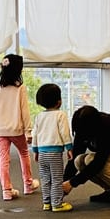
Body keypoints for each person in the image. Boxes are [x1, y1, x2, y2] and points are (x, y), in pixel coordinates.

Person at [0, 53, 38, 201]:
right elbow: (25, 111)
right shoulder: (20, 88)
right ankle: (28, 185)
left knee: (4, 160)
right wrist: (28, 131)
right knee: (24, 154)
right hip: (16, 129)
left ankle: (7, 190)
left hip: (1, 130)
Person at [31, 83, 72, 212]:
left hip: (42, 153)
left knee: (45, 178)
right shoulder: (60, 115)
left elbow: (35, 134)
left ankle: (47, 202)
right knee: (57, 178)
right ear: (59, 101)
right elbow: (65, 133)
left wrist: (35, 150)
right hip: (54, 153)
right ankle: (57, 204)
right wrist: (69, 147)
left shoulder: (39, 116)